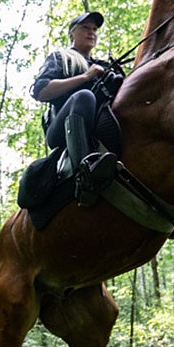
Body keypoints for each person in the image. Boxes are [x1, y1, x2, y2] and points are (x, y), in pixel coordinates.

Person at [30, 11, 119, 206]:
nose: (91, 32)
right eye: (85, 28)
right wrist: (86, 77)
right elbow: (41, 91)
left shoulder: (102, 66)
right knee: (83, 96)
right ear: (72, 34)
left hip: (99, 125)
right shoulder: (61, 58)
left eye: (95, 29)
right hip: (60, 131)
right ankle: (85, 176)